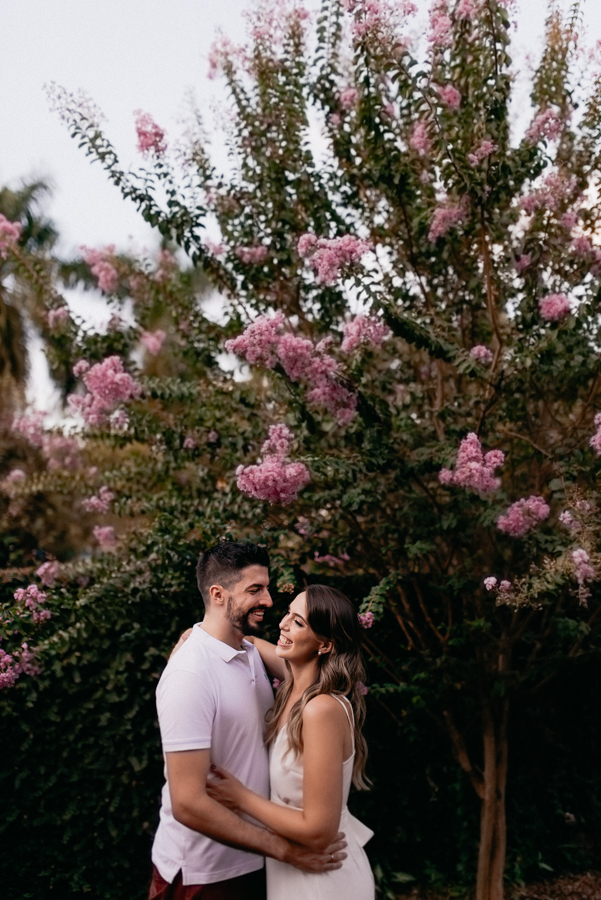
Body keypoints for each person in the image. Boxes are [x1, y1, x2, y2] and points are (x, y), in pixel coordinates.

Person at [149, 541, 346, 900]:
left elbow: (311, 667)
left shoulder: (252, 653)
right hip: (204, 873)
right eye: (255, 589)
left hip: (259, 863)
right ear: (218, 594)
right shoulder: (189, 674)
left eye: (267, 587)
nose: (269, 601)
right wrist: (285, 850)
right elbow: (188, 802)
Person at [207, 583, 375, 900]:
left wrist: (240, 797)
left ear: (324, 645)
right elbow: (251, 640)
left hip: (325, 878)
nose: (283, 624)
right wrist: (195, 637)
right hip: (291, 871)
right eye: (288, 612)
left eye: (298, 622)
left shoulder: (321, 709)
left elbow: (319, 829)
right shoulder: (295, 682)